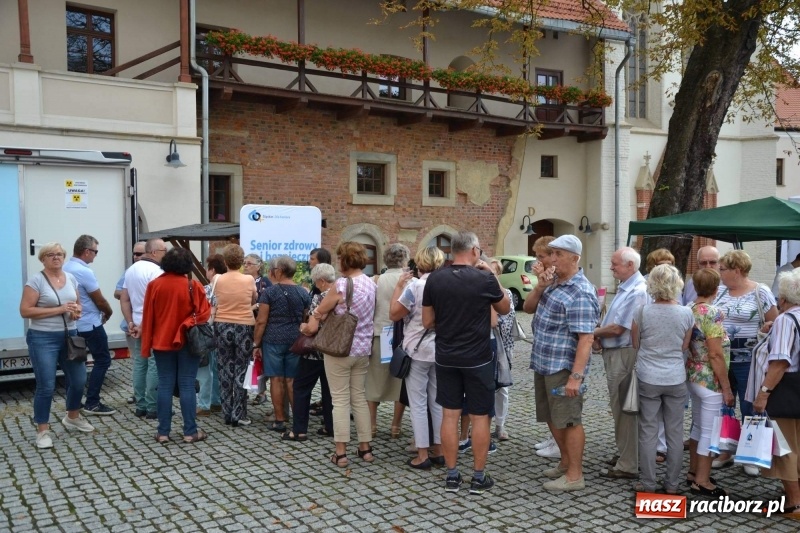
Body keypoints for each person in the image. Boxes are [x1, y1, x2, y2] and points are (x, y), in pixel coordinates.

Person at [423, 231, 510, 495]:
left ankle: (452, 475)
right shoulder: (484, 278)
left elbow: (427, 322)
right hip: (478, 357)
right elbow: (505, 308)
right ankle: (478, 477)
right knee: (479, 415)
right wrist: (492, 275)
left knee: (449, 414)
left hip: (447, 356)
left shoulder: (435, 278)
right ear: (474, 251)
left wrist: (449, 325)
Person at [526, 234, 598, 493]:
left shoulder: (580, 290)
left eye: (558, 255)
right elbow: (528, 307)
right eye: (551, 254)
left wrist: (576, 377)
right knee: (552, 417)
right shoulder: (554, 282)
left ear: (574, 258)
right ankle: (565, 463)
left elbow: (586, 339)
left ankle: (575, 475)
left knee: (569, 420)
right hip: (544, 361)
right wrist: (539, 286)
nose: (552, 260)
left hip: (563, 367)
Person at [308, 242, 377, 468]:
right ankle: (365, 448)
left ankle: (341, 453)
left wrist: (315, 316)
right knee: (359, 397)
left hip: (340, 348)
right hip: (363, 348)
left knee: (339, 399)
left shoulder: (341, 284)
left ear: (344, 261)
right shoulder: (371, 282)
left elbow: (322, 310)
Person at [20, 242, 94, 448]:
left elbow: (77, 304)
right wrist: (59, 309)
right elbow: (25, 311)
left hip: (70, 336)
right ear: (43, 259)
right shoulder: (36, 281)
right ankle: (42, 431)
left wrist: (76, 311)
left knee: (79, 380)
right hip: (43, 338)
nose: (56, 257)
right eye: (51, 254)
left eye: (60, 254)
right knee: (46, 385)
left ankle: (72, 416)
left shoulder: (70, 278)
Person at [712, 250, 778, 474]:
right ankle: (726, 449)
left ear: (737, 270)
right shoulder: (719, 291)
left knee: (750, 404)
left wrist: (765, 330)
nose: (719, 273)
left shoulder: (761, 292)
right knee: (723, 403)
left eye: (722, 269)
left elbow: (775, 323)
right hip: (722, 358)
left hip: (750, 359)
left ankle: (751, 452)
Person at [631, 264, 694, 494]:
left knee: (648, 431)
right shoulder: (687, 312)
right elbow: (685, 345)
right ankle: (672, 484)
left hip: (649, 375)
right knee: (675, 434)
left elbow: (635, 343)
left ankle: (647, 483)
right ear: (676, 285)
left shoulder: (643, 311)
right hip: (675, 376)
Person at [139, 247, 211, 444]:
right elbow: (204, 314)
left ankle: (163, 432)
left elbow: (148, 317)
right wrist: (187, 323)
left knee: (165, 384)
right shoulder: (193, 286)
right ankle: (190, 432)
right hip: (188, 342)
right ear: (187, 265)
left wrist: (146, 344)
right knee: (187, 384)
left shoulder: (154, 285)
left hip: (162, 342)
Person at [593, 247, 648, 480]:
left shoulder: (637, 290)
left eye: (615, 263)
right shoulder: (629, 287)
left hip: (624, 354)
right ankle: (627, 454)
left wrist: (592, 332)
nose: (611, 267)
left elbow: (618, 328)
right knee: (622, 407)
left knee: (625, 409)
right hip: (616, 352)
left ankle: (628, 463)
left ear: (630, 266)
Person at [390, 246, 445, 470]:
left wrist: (398, 286)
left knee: (418, 403)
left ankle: (422, 453)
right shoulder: (446, 285)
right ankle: (439, 450)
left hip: (417, 349)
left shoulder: (416, 285)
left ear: (420, 263)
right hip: (440, 349)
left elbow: (394, 314)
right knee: (437, 401)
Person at [752, 268, 800, 516]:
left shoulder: (786, 320)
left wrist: (763, 393)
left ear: (783, 297)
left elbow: (780, 362)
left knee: (785, 447)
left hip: (786, 391)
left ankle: (794, 502)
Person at [686, 268, 734, 497]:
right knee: (708, 431)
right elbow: (715, 353)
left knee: (697, 426)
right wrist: (726, 387)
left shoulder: (689, 310)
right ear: (717, 289)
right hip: (709, 380)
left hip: (693, 374)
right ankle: (702, 481)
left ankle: (693, 471)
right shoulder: (712, 312)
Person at [253, 255, 311, 433]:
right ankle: (298, 421)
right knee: (292, 380)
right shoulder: (303, 292)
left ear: (279, 271)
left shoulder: (269, 293)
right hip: (295, 339)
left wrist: (256, 343)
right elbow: (305, 317)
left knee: (276, 380)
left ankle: (280, 419)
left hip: (273, 339)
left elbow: (261, 321)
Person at [63, 234, 116, 416]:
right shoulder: (84, 271)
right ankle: (92, 402)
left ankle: (73, 404)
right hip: (91, 324)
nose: (96, 255)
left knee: (76, 363)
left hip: (73, 325)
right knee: (103, 360)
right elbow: (99, 299)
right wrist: (108, 312)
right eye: (95, 251)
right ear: (86, 251)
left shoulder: (66, 267)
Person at [120, 238, 167, 419]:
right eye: (164, 250)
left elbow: (124, 299)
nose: (166, 254)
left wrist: (131, 322)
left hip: (137, 323)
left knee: (140, 363)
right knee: (155, 364)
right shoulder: (157, 271)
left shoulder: (131, 270)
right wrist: (143, 324)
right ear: (154, 252)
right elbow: (157, 304)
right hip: (152, 324)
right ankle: (153, 406)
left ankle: (141, 405)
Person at [289, 263, 336, 441]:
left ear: (322, 281)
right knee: (329, 391)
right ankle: (331, 427)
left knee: (301, 388)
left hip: (315, 352)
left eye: (316, 281)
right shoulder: (343, 296)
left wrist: (303, 327)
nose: (315, 284)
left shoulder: (321, 298)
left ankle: (299, 430)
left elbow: (311, 329)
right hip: (334, 351)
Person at [367, 243, 409, 439]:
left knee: (374, 380)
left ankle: (372, 425)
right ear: (405, 259)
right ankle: (395, 426)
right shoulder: (411, 280)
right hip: (404, 336)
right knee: (401, 381)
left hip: (380, 333)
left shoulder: (375, 279)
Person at [213, 244, 258, 427]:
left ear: (225, 261)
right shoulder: (248, 280)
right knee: (241, 369)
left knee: (224, 368)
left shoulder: (217, 278)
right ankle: (239, 413)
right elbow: (254, 299)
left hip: (222, 325)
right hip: (244, 325)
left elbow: (214, 299)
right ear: (241, 262)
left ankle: (226, 412)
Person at [525, 235, 560, 459]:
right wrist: (539, 283)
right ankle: (554, 438)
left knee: (558, 405)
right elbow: (529, 307)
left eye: (540, 256)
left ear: (552, 256)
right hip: (543, 348)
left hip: (556, 352)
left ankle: (560, 444)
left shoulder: (561, 278)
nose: (537, 260)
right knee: (547, 404)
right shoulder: (546, 278)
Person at [114, 241, 146, 405]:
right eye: (135, 253)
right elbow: (117, 292)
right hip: (132, 324)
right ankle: (138, 394)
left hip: (148, 325)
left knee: (150, 363)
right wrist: (131, 293)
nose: (137, 257)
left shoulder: (154, 271)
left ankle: (148, 395)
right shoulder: (129, 272)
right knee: (138, 361)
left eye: (140, 254)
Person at [196, 254, 227, 417]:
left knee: (206, 370)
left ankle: (204, 404)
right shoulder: (229, 286)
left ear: (212, 270)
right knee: (217, 368)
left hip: (208, 333)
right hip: (224, 331)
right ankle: (217, 401)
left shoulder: (208, 289)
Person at [490, 259, 516, 442]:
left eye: (493, 273)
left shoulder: (505, 294)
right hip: (483, 345)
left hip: (502, 347)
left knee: (502, 388)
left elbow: (506, 321)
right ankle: (481, 424)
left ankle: (500, 425)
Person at [244, 253, 272, 407]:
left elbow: (267, 300)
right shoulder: (242, 280)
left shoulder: (265, 282)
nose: (246, 266)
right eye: (244, 263)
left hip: (260, 323)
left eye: (249, 263)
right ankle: (250, 389)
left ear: (259, 266)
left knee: (259, 357)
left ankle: (261, 392)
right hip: (245, 323)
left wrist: (252, 307)